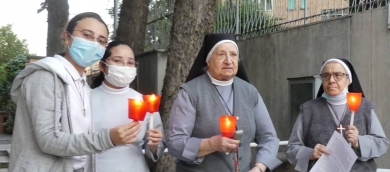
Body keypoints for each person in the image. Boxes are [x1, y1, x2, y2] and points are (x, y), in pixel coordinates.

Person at [9, 12, 139, 172]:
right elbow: (48, 140)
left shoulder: (83, 86)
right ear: (67, 38)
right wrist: (107, 138)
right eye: (87, 35)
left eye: (101, 41)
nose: (94, 44)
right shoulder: (45, 77)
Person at [168, 33, 282, 172]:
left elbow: (269, 138)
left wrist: (259, 167)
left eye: (233, 55)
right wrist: (211, 144)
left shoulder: (250, 92)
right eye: (221, 54)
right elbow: (175, 143)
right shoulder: (190, 93)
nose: (228, 60)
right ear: (208, 60)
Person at [287, 58, 389, 172]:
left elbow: (382, 143)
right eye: (326, 75)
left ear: (348, 79)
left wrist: (359, 142)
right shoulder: (308, 109)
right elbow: (292, 149)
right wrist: (310, 153)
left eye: (338, 75)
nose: (331, 80)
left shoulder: (364, 107)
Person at [91, 40, 165, 172]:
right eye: (117, 61)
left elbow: (154, 150)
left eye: (130, 63)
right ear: (102, 66)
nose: (124, 66)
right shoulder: (86, 99)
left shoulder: (144, 101)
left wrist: (154, 145)